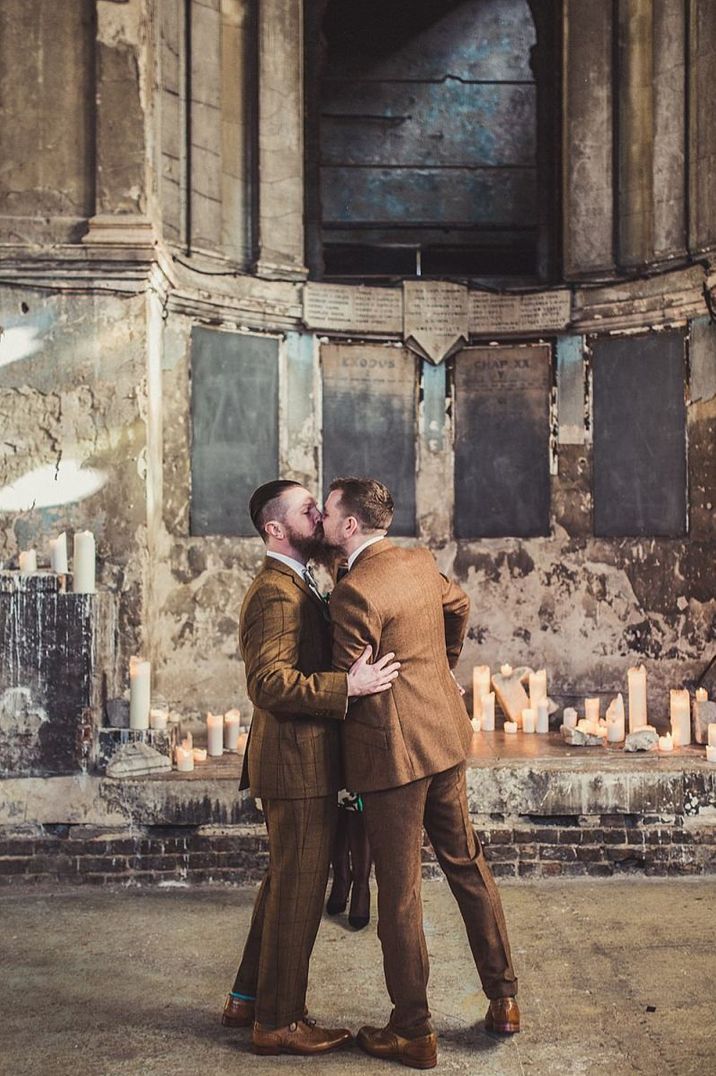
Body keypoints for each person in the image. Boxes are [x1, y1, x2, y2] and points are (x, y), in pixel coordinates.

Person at [323, 476, 519, 1070]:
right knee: (467, 863)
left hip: (394, 760)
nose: (322, 521)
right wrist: (438, 667)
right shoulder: (418, 561)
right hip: (444, 738)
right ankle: (504, 999)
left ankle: (412, 1030)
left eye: (328, 513)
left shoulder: (353, 593)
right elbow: (457, 606)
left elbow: (345, 687)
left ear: (350, 525)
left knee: (401, 895)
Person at [222, 479, 399, 1058]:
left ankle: (249, 997)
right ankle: (279, 1021)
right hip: (295, 765)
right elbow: (267, 683)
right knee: (298, 888)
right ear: (276, 529)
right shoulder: (275, 592)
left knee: (283, 885)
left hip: (299, 761)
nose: (320, 513)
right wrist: (345, 686)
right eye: (307, 509)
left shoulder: (300, 581)